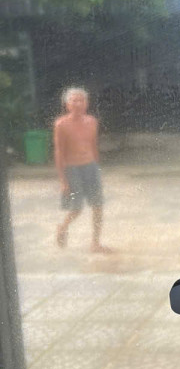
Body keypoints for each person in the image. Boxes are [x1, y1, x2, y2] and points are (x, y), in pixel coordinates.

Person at [54, 87, 109, 252]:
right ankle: (62, 227)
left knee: (98, 206)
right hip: (72, 169)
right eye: (74, 100)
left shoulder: (92, 121)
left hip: (90, 166)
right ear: (67, 104)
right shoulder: (61, 124)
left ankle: (95, 243)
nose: (78, 103)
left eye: (81, 100)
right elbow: (59, 152)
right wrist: (63, 181)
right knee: (76, 208)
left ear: (87, 103)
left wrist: (96, 167)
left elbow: (93, 145)